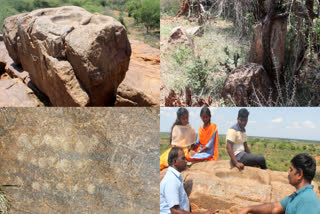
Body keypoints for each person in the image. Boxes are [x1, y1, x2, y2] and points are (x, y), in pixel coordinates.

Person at [237, 153, 320, 214]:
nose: (288, 173)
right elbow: (274, 207)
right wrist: (248, 209)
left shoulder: (307, 200)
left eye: (291, 170)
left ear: (299, 175)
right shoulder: (297, 196)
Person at [160, 147, 219, 214]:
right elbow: (175, 211)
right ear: (175, 161)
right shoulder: (171, 181)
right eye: (183, 158)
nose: (186, 161)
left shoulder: (175, 177)